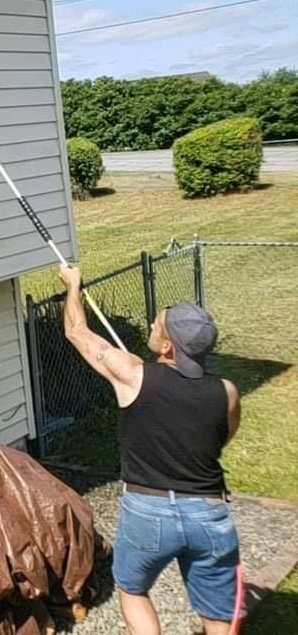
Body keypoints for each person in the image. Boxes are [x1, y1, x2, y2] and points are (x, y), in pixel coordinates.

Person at [58, 264, 242, 635]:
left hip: (148, 510)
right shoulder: (226, 392)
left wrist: (73, 287)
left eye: (158, 325)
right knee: (219, 613)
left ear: (169, 345)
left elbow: (76, 331)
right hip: (208, 511)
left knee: (133, 590)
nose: (153, 326)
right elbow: (220, 439)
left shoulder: (134, 375)